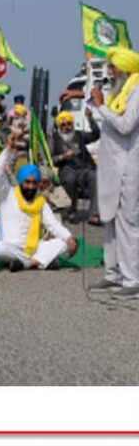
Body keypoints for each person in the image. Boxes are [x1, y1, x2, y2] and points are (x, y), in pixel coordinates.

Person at [89, 47, 139, 297]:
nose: (110, 72)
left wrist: (101, 106)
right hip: (111, 167)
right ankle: (113, 273)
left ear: (127, 68)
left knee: (128, 222)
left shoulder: (137, 91)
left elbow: (125, 125)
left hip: (129, 168)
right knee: (108, 219)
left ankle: (133, 280)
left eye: (114, 67)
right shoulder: (119, 92)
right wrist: (98, 104)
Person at [0, 137, 77, 272]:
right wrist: (8, 149)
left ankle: (26, 264)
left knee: (64, 242)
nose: (30, 186)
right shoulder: (8, 194)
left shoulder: (40, 202)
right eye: (27, 182)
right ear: (20, 182)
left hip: (33, 248)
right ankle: (39, 261)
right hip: (10, 248)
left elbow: (53, 225)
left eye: (34, 183)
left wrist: (69, 238)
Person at [51, 110, 101, 225]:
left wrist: (90, 119)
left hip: (84, 168)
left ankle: (94, 213)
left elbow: (96, 135)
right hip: (67, 169)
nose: (67, 127)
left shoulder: (80, 135)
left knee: (95, 176)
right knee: (70, 179)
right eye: (63, 125)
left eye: (69, 124)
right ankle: (70, 211)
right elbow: (51, 159)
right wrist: (63, 156)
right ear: (59, 126)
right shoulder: (54, 139)